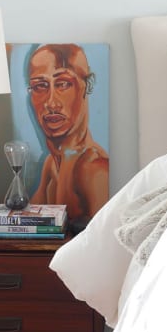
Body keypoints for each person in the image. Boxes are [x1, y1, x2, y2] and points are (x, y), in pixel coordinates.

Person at [27, 44, 109, 233]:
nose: (51, 103)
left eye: (63, 84)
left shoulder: (94, 169)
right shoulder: (52, 163)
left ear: (86, 87)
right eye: (40, 86)